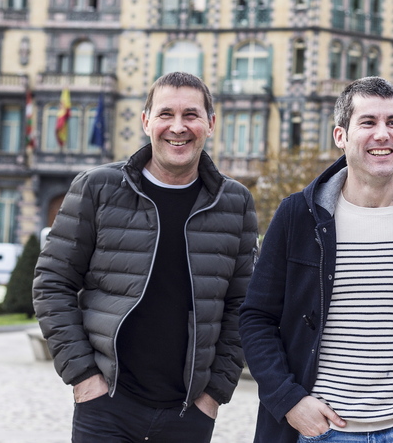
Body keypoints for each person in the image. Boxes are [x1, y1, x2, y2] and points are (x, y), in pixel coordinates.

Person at [239, 76, 393, 443]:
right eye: (368, 122)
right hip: (318, 432)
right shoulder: (297, 215)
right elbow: (256, 318)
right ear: (340, 136)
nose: (382, 134)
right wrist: (289, 401)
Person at [33, 72, 258, 442]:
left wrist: (213, 394)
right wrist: (84, 378)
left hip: (188, 414)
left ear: (210, 124)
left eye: (191, 115)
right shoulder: (97, 187)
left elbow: (243, 305)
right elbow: (52, 283)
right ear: (145, 121)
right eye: (166, 114)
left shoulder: (235, 202)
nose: (178, 127)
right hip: (106, 406)